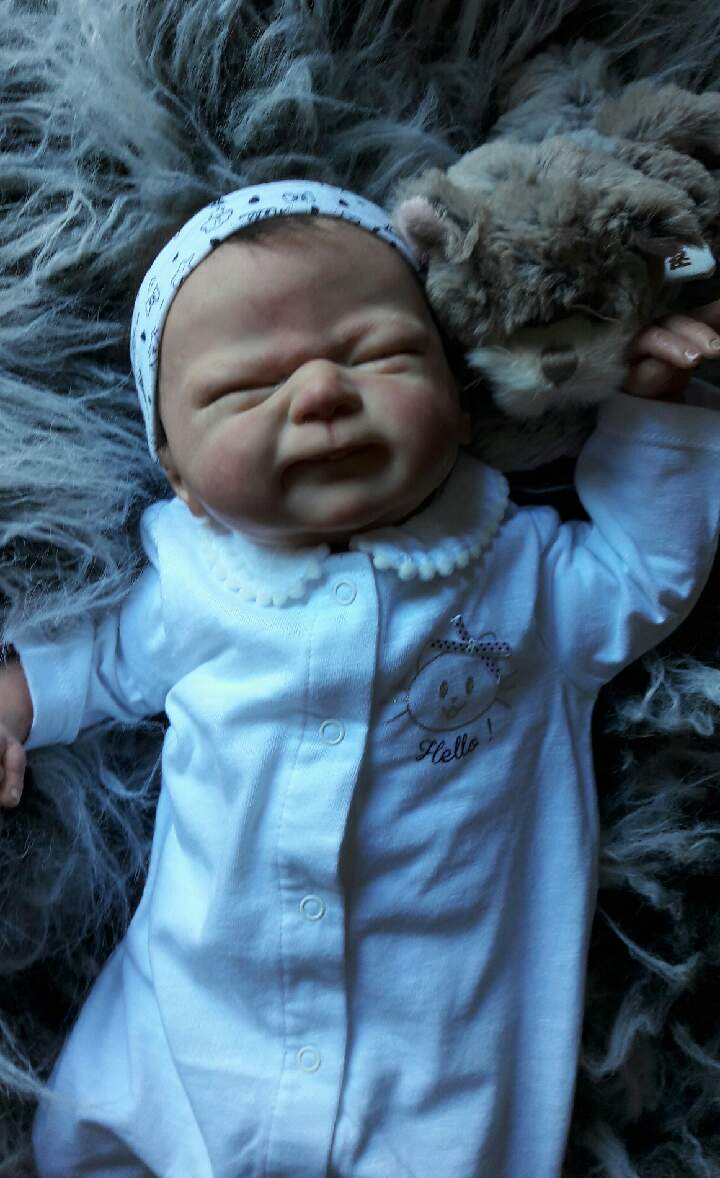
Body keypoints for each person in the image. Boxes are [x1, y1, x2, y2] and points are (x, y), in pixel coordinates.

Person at [1, 179, 719, 1177]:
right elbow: (87, 661)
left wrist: (651, 408)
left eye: (377, 355)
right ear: (179, 473)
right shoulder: (192, 586)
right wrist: (11, 709)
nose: (320, 394)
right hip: (189, 1046)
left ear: (460, 406)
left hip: (437, 1076)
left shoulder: (524, 576)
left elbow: (647, 571)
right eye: (245, 389)